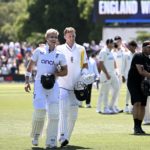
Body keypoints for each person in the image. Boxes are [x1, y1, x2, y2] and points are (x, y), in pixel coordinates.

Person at [24, 28, 67, 149]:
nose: (53, 39)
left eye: (55, 37)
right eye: (51, 37)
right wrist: (27, 82)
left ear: (57, 39)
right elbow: (30, 67)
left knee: (54, 114)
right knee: (40, 111)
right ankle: (36, 136)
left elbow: (65, 71)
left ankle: (51, 141)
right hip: (39, 85)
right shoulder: (39, 51)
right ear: (46, 38)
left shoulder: (60, 54)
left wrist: (56, 74)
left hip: (54, 86)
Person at [57, 27, 88, 147]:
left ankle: (66, 139)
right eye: (69, 36)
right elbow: (56, 64)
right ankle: (62, 136)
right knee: (63, 111)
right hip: (62, 85)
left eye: (73, 36)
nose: (71, 38)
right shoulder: (59, 49)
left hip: (76, 87)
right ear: (65, 37)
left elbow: (84, 64)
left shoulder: (81, 49)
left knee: (73, 115)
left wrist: (85, 73)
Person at [127, 41, 150, 135]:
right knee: (137, 103)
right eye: (148, 47)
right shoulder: (138, 56)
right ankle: (136, 127)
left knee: (143, 105)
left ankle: (139, 126)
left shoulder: (148, 59)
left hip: (144, 84)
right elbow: (141, 71)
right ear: (143, 47)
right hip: (134, 83)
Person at [96, 39, 120, 114]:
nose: (113, 44)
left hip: (112, 74)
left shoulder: (111, 52)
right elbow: (101, 64)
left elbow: (113, 63)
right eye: (112, 43)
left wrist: (116, 72)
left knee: (117, 88)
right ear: (108, 43)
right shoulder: (103, 51)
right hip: (105, 74)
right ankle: (105, 108)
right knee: (105, 92)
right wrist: (106, 74)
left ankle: (111, 106)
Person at [121, 41, 137, 113]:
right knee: (128, 92)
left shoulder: (138, 55)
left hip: (137, 77)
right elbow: (123, 66)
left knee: (135, 92)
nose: (128, 47)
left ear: (134, 47)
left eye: (130, 46)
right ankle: (126, 106)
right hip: (128, 76)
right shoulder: (125, 55)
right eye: (128, 46)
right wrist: (123, 76)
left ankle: (133, 107)